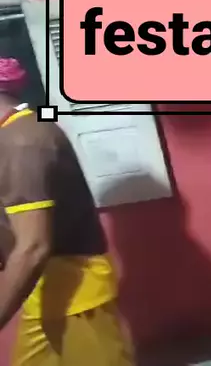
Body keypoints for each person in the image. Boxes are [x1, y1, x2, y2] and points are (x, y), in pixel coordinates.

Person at [0, 58, 134, 365]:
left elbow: (34, 247)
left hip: (76, 296)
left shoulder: (22, 143)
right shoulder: (14, 133)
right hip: (43, 291)